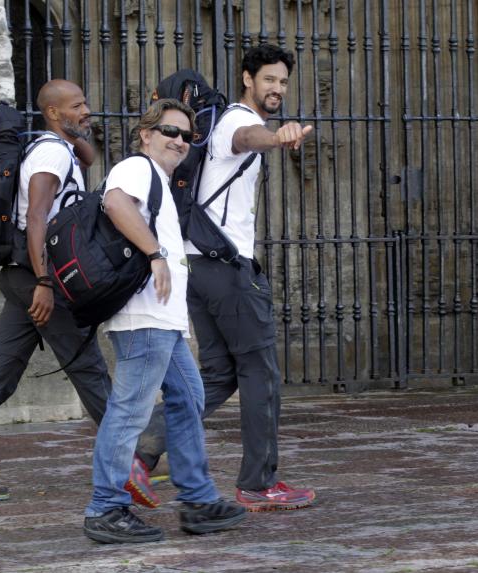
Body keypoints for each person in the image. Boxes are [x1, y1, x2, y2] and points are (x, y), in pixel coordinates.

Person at [132, 44, 317, 512]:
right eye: (269, 80)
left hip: (197, 267)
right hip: (228, 270)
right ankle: (258, 482)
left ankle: (140, 453)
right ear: (247, 78)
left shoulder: (223, 120)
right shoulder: (235, 120)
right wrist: (278, 137)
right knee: (262, 375)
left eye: (283, 82)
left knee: (218, 376)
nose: (277, 89)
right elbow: (247, 137)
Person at [0, 80, 113, 502]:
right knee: (89, 370)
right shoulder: (51, 152)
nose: (87, 109)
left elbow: (87, 156)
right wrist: (46, 283)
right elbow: (36, 218)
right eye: (77, 105)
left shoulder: (59, 147)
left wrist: (79, 129)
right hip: (38, 279)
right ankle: (140, 457)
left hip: (21, 277)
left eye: (86, 101)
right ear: (53, 113)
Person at [82, 99, 246, 544]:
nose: (179, 140)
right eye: (169, 131)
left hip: (163, 320)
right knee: (130, 409)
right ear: (146, 135)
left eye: (187, 136)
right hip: (144, 316)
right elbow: (116, 203)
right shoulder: (137, 168)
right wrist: (155, 254)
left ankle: (197, 499)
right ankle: (105, 507)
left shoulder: (159, 180)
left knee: (189, 398)